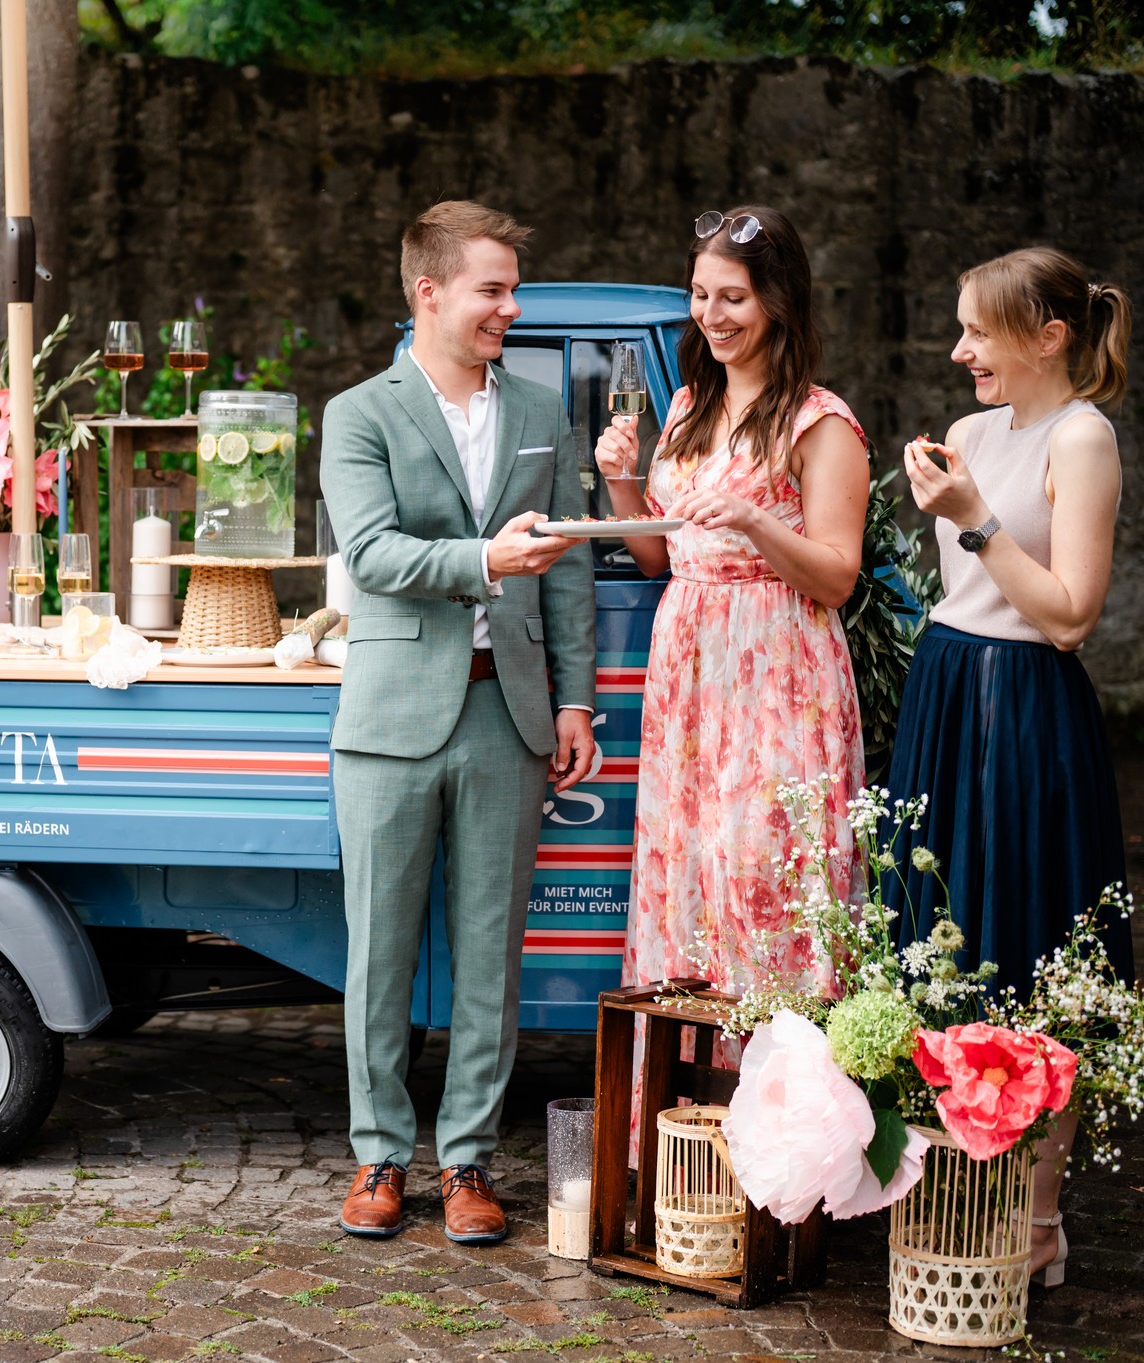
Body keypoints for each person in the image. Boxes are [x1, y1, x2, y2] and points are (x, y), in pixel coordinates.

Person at [321, 201, 597, 1245]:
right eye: (492, 289)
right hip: (390, 715)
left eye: (512, 290)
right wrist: (485, 558)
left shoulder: (541, 410)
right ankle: (378, 1156)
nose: (510, 308)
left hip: (507, 714)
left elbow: (565, 575)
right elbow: (373, 554)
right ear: (427, 292)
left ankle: (469, 1159)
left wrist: (573, 699)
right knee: (379, 955)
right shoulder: (358, 413)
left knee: (490, 952)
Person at [887, 246, 1135, 1288]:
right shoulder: (975, 431)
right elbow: (963, 591)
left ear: (1048, 337)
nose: (959, 351)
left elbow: (1070, 615)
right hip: (947, 690)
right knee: (938, 935)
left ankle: (1034, 1221)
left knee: (1029, 942)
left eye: (977, 332)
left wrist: (974, 521)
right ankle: (950, 1186)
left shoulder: (1082, 436)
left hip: (1028, 704)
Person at [596, 206, 870, 1012]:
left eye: (733, 298)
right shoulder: (687, 407)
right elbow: (662, 555)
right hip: (689, 667)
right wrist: (620, 483)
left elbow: (837, 577)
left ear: (777, 302)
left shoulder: (820, 423)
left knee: (766, 869)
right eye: (700, 294)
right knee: (688, 864)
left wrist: (756, 521)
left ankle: (783, 1075)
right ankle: (691, 1078)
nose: (711, 315)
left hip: (779, 668)